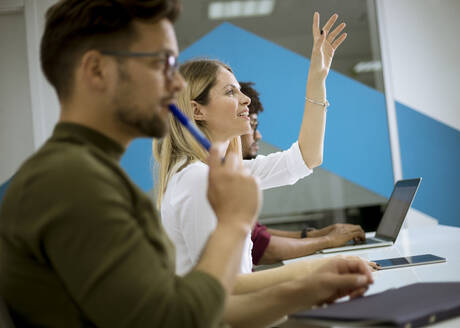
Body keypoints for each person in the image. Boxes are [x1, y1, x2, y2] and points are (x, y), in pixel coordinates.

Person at [0, 1, 372, 327]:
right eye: (162, 62)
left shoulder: (91, 176)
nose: (174, 83)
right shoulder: (74, 184)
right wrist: (236, 224)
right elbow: (181, 318)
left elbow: (186, 306)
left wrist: (313, 286)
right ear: (97, 71)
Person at [239, 81, 367, 265]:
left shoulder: (234, 169)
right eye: (253, 124)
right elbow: (261, 247)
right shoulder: (219, 174)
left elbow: (255, 233)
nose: (257, 135)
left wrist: (315, 235)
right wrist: (327, 241)